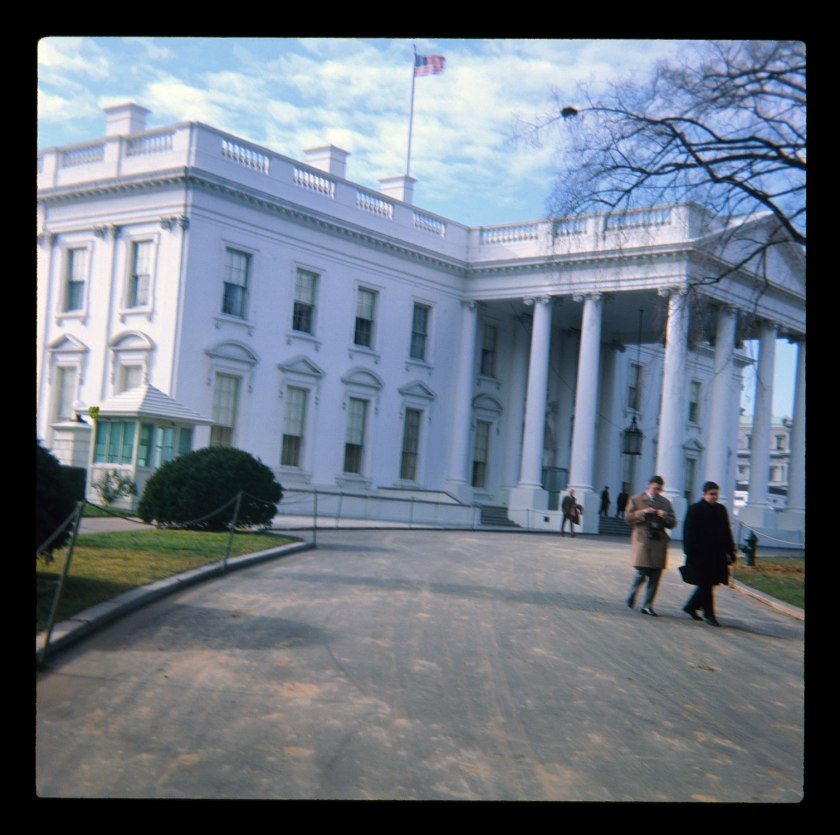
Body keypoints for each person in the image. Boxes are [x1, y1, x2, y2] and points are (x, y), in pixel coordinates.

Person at [681, 481, 737, 627]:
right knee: (705, 584)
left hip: (717, 555)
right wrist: (689, 552)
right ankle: (709, 615)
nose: (714, 497)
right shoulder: (695, 509)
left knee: (710, 583)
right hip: (700, 555)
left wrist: (731, 552)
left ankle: (690, 607)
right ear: (704, 494)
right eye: (711, 494)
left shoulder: (721, 510)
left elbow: (726, 532)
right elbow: (688, 532)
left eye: (716, 494)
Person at [624, 475, 677, 616]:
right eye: (655, 488)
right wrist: (643, 512)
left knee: (656, 575)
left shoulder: (665, 503)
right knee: (641, 572)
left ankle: (648, 605)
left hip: (659, 541)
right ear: (648, 485)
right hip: (643, 541)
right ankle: (632, 594)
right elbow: (627, 518)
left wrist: (665, 516)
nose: (657, 492)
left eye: (659, 489)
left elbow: (673, 523)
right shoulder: (636, 499)